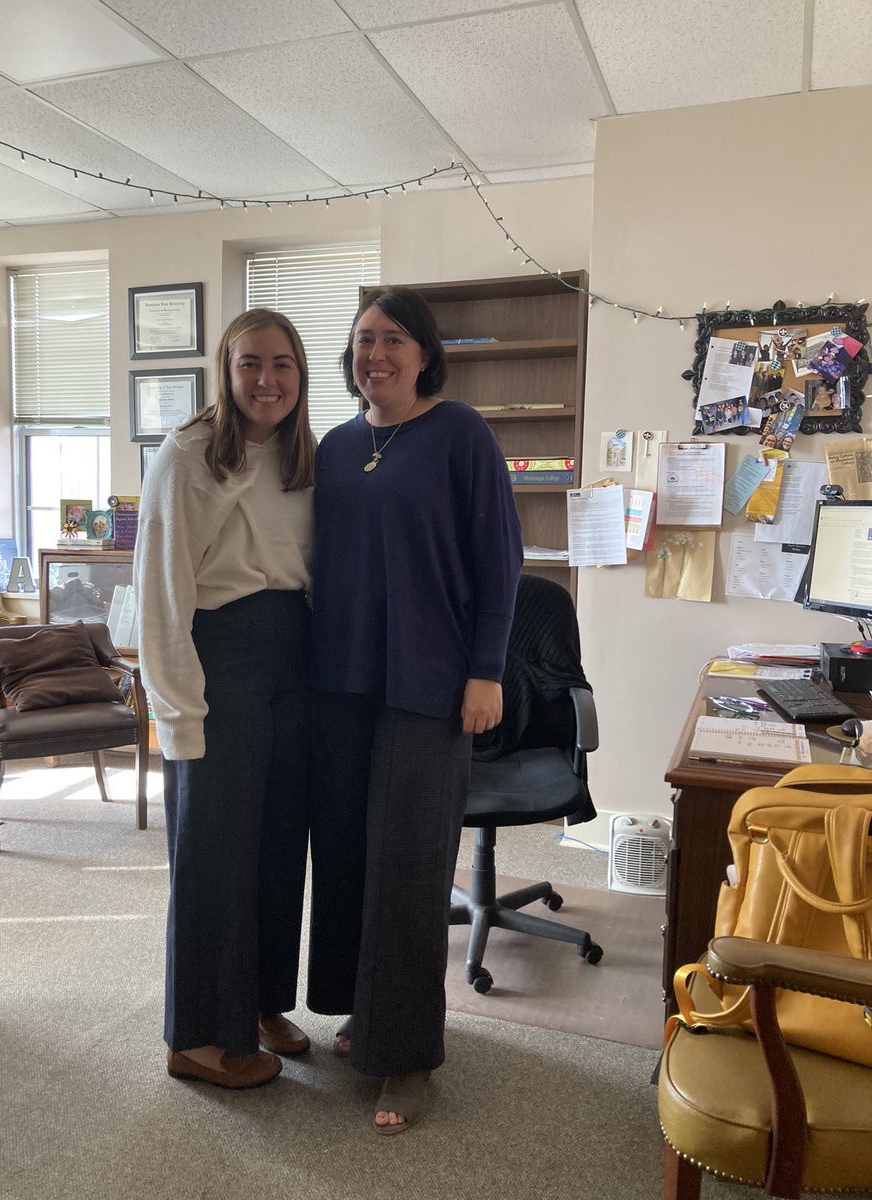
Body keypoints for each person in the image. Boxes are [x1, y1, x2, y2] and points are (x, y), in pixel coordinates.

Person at [308, 286, 523, 1133]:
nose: (377, 355)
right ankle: (367, 1020)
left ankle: (407, 1062)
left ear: (425, 352)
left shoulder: (460, 433)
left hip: (431, 687)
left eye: (393, 339)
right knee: (353, 857)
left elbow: (499, 562)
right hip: (341, 683)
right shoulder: (333, 445)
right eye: (363, 340)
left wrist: (486, 671)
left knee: (408, 868)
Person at [133, 309, 315, 1089]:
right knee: (214, 855)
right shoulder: (187, 455)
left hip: (295, 655)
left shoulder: (304, 456)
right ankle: (199, 1036)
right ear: (225, 369)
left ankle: (261, 1002)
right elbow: (161, 596)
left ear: (301, 373)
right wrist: (177, 716)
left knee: (277, 846)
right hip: (222, 659)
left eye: (281, 364)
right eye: (250, 364)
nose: (266, 380)